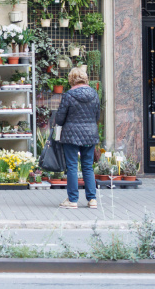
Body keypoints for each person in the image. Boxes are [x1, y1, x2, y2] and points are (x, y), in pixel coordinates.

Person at [55, 67, 101, 210]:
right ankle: (92, 199)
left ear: (71, 79)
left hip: (71, 135)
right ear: (85, 78)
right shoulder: (94, 94)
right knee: (88, 166)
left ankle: (73, 200)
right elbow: (97, 116)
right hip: (90, 134)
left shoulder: (69, 95)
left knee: (72, 167)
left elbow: (60, 118)